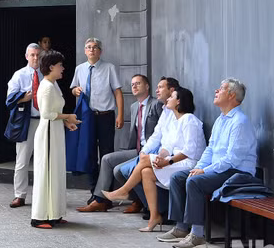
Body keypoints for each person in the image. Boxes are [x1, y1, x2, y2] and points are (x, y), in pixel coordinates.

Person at [158, 78, 257, 248]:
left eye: (221, 89)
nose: (216, 91)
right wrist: (199, 168)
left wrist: (204, 170)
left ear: (232, 95)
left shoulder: (239, 122)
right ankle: (181, 228)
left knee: (195, 182)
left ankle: (197, 235)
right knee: (178, 177)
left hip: (236, 173)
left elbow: (232, 159)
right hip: (220, 169)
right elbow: (210, 150)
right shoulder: (221, 120)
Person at [103, 87, 206, 232]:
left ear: (179, 102)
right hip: (175, 161)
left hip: (189, 163)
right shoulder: (176, 121)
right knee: (146, 172)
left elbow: (189, 151)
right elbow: (167, 146)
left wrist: (167, 161)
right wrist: (160, 157)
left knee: (145, 161)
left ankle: (124, 190)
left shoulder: (189, 119)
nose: (168, 99)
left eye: (172, 97)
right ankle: (154, 217)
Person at [76, 74, 162, 212]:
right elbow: (134, 134)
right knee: (107, 159)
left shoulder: (156, 104)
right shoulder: (134, 106)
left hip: (153, 151)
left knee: (120, 170)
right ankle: (100, 200)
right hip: (138, 150)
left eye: (138, 83)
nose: (134, 86)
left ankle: (137, 201)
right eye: (132, 84)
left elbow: (162, 132)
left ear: (147, 86)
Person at [113, 77, 180, 215]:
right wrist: (144, 152)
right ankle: (150, 207)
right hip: (154, 151)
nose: (157, 90)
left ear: (172, 91)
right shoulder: (165, 111)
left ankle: (156, 209)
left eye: (161, 87)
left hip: (173, 157)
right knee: (122, 170)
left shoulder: (183, 117)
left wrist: (163, 157)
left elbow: (174, 144)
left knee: (142, 171)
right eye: (132, 84)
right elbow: (157, 136)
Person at [31, 50, 81, 229]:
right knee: (46, 172)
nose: (63, 69)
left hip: (55, 131)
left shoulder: (53, 85)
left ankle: (54, 213)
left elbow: (53, 112)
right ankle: (39, 217)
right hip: (48, 133)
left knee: (56, 172)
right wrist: (69, 116)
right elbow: (46, 113)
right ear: (51, 67)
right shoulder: (46, 86)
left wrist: (67, 121)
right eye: (60, 65)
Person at [68, 38, 123, 194]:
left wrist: (120, 115)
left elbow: (118, 92)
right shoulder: (80, 69)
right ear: (85, 51)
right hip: (87, 117)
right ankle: (94, 190)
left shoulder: (109, 68)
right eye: (88, 47)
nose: (91, 50)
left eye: (95, 47)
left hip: (105, 116)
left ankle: (106, 191)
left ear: (100, 51)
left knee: (106, 153)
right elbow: (73, 89)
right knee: (89, 152)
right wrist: (75, 91)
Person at [6, 43, 42, 208]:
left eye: (38, 55)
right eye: (32, 55)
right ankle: (19, 195)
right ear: (27, 56)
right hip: (26, 121)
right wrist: (23, 98)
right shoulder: (19, 75)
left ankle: (41, 195)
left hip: (44, 121)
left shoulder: (46, 74)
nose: (35, 58)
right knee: (22, 160)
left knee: (43, 160)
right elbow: (9, 99)